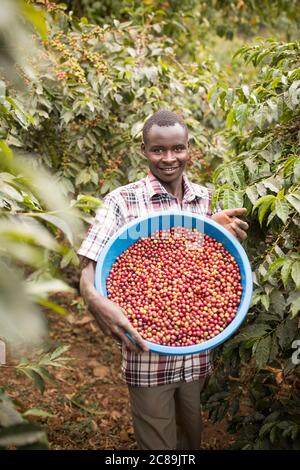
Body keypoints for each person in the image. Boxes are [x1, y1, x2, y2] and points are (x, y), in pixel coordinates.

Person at [78, 109, 249, 450]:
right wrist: (95, 299)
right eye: (158, 150)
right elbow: (88, 267)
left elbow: (208, 265)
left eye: (177, 149)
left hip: (197, 354)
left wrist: (217, 231)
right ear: (144, 150)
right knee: (158, 444)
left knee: (190, 435)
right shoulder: (122, 201)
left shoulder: (207, 200)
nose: (169, 159)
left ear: (189, 149)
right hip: (147, 355)